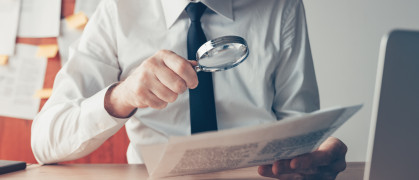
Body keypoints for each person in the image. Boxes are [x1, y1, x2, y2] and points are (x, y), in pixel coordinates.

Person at [31, 0, 347, 179]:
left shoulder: (281, 7)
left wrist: (315, 155)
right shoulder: (117, 10)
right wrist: (122, 96)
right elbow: (46, 142)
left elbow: (300, 130)